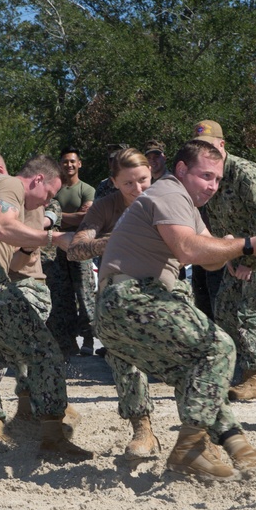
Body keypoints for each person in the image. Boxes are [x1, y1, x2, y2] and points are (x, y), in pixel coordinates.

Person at [96, 139, 256, 479]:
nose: (212, 186)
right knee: (218, 347)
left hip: (118, 310)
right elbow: (187, 250)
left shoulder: (185, 205)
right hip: (131, 297)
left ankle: (235, 443)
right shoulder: (170, 193)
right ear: (181, 170)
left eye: (217, 179)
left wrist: (230, 248)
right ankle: (190, 447)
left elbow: (209, 260)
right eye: (206, 176)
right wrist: (243, 244)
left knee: (193, 373)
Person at [0, 154, 94, 462]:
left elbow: (12, 256)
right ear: (37, 180)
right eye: (48, 194)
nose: (44, 202)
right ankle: (52, 435)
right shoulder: (8, 183)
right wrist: (54, 237)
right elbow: (4, 227)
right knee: (44, 350)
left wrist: (32, 243)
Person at [67, 147, 160, 460]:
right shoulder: (106, 206)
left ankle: (200, 432)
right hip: (119, 294)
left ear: (153, 174)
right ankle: (143, 428)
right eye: (129, 184)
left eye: (144, 180)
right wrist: (111, 240)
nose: (138, 189)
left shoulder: (168, 200)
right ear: (115, 183)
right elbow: (77, 248)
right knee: (123, 356)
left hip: (161, 292)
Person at [195, 120, 256, 400]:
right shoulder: (208, 177)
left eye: (210, 146)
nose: (206, 153)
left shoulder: (244, 172)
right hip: (237, 254)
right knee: (223, 311)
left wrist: (251, 261)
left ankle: (252, 380)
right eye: (199, 148)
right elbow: (220, 222)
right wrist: (230, 255)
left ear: (222, 145)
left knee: (249, 315)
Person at [46, 147, 98, 356]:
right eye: (65, 161)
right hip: (56, 247)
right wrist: (72, 215)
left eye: (72, 161)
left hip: (80, 247)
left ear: (79, 164)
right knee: (61, 295)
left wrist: (56, 216)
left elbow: (84, 218)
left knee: (85, 295)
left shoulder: (86, 189)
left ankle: (88, 338)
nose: (69, 165)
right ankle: (67, 342)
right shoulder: (55, 189)